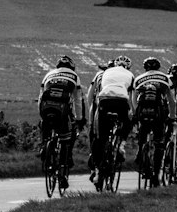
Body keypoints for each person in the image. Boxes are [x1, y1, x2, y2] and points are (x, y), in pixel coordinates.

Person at [37, 55, 85, 187]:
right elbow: (78, 100)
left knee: (45, 127)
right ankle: (63, 173)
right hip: (63, 112)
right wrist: (79, 118)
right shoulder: (74, 76)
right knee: (65, 140)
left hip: (46, 109)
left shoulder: (49, 75)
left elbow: (41, 97)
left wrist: (41, 116)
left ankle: (44, 147)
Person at [132, 57, 176, 184]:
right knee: (159, 143)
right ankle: (156, 174)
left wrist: (136, 114)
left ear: (145, 68)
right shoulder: (165, 78)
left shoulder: (138, 79)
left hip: (142, 112)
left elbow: (134, 100)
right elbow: (171, 101)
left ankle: (140, 150)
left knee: (143, 131)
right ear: (158, 68)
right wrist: (172, 117)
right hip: (158, 113)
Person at [93, 54, 135, 174]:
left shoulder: (106, 72)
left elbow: (99, 90)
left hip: (104, 100)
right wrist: (132, 113)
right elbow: (132, 97)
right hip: (121, 100)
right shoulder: (131, 75)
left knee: (101, 137)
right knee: (127, 121)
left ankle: (97, 170)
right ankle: (121, 144)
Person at [85, 59, 113, 180]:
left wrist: (91, 109)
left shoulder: (99, 75)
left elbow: (90, 95)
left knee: (95, 136)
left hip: (98, 109)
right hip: (115, 107)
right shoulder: (120, 77)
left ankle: (94, 164)